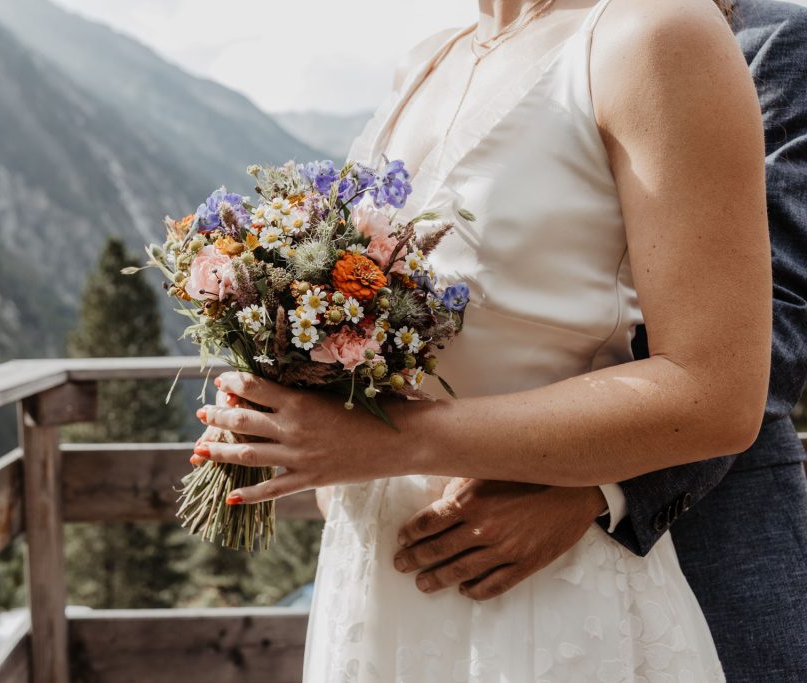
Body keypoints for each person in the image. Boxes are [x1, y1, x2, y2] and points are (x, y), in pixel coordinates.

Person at [193, 0, 772, 678]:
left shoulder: (656, 33)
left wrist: (386, 442)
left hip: (546, 600)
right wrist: (303, 397)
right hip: (373, 592)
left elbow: (716, 392)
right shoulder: (429, 60)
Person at [386, 0, 807, 680]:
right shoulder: (449, 60)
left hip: (703, 531)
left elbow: (776, 316)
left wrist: (590, 487)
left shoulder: (770, 40)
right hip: (440, 540)